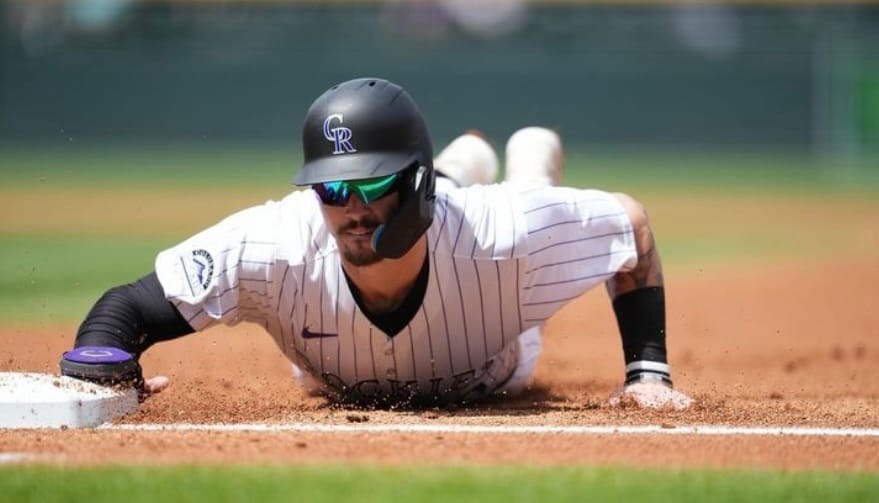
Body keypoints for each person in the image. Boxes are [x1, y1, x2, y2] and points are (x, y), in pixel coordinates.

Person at [60, 77, 693, 411]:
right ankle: (460, 160)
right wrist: (105, 371)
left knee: (521, 198)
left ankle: (525, 163)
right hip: (355, 348)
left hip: (495, 361)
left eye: (374, 185)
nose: (352, 210)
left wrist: (649, 374)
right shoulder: (276, 244)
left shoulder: (508, 238)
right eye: (331, 189)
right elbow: (123, 311)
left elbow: (631, 224)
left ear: (411, 187)